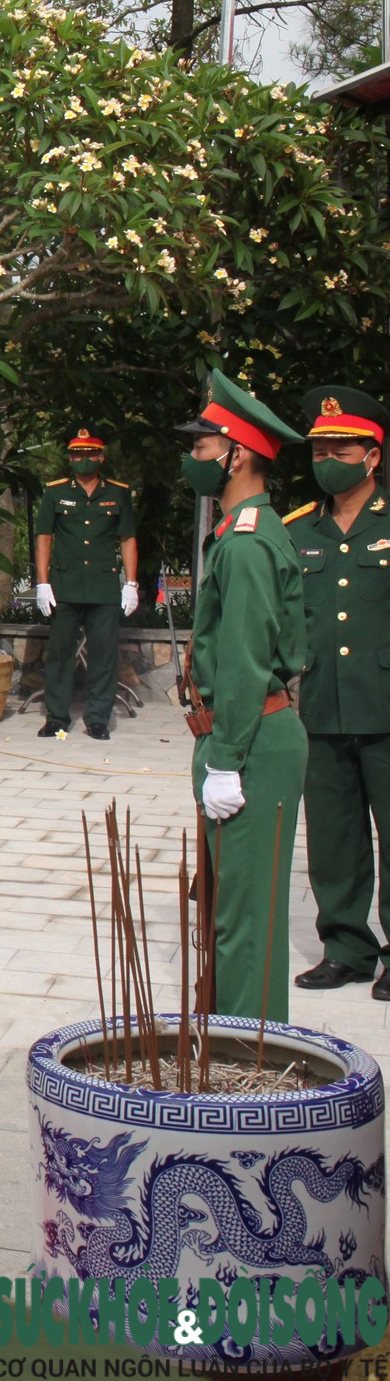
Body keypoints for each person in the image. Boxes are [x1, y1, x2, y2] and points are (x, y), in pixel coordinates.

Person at [177, 371, 307, 1023]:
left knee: (244, 922)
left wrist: (226, 757)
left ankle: (247, 1066)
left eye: (203, 448)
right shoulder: (237, 532)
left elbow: (245, 662)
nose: (193, 459)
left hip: (251, 739)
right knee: (232, 911)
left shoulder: (249, 541)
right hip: (240, 736)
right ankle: (237, 1046)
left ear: (239, 453)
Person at [287, 387, 390, 996]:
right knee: (333, 836)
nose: (328, 458)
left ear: (372, 456)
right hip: (323, 705)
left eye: (341, 447)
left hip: (385, 705)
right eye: (320, 448)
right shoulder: (302, 531)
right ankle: (347, 947)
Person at [32, 423, 139, 740]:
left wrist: (131, 583)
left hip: (103, 585)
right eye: (77, 454)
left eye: (90, 453)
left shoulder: (118, 492)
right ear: (69, 458)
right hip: (64, 585)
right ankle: (56, 718)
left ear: (101, 457)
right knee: (60, 655)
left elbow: (128, 539)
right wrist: (42, 582)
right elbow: (44, 539)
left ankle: (97, 720)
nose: (84, 459)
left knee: (104, 656)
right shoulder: (56, 492)